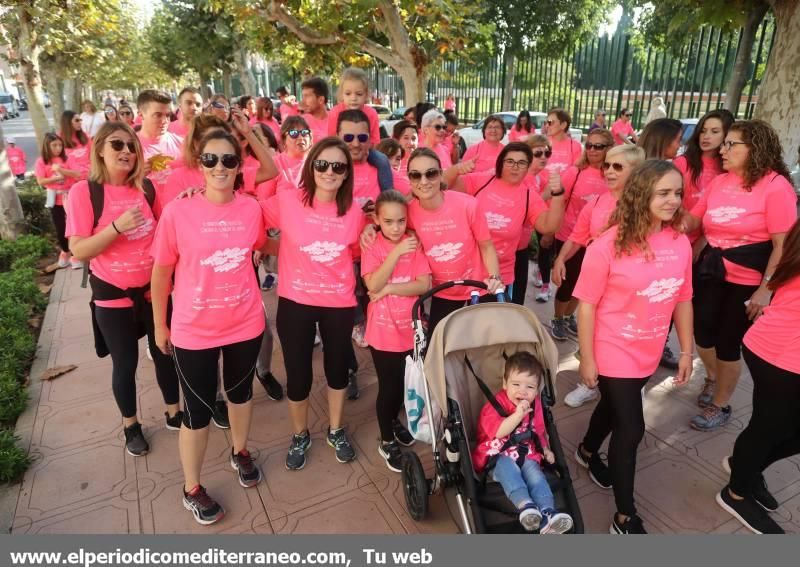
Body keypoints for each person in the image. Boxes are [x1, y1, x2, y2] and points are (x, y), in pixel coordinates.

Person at [151, 129, 266, 525]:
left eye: (229, 160)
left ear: (239, 166)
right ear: (199, 165)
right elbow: (161, 273)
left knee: (240, 395)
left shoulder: (252, 209)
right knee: (196, 413)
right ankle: (192, 488)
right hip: (193, 329)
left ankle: (240, 450)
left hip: (245, 323)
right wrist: (159, 326)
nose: (220, 167)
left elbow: (273, 244)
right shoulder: (177, 212)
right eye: (211, 159)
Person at [573, 159, 694, 534]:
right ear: (641, 195)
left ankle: (587, 450)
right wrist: (588, 359)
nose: (673, 200)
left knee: (613, 407)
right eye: (663, 193)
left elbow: (683, 298)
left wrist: (686, 350)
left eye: (677, 193)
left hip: (650, 348)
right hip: (612, 348)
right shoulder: (607, 246)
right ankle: (625, 516)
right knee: (632, 427)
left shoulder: (680, 241)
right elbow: (586, 305)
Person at [66, 121, 181, 458]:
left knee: (165, 353)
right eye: (117, 145)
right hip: (113, 295)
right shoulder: (84, 193)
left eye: (132, 146)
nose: (126, 152)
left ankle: (174, 412)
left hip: (152, 292)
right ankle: (131, 425)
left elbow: (165, 232)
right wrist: (116, 227)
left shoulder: (146, 189)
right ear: (100, 149)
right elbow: (79, 250)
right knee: (125, 362)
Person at [682, 120, 797, 431]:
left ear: (755, 149)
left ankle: (721, 404)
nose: (723, 149)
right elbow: (692, 222)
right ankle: (713, 376)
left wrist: (766, 290)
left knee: (728, 343)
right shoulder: (720, 182)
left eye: (732, 144)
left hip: (748, 279)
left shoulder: (776, 187)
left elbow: (782, 246)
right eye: (725, 143)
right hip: (712, 270)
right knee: (702, 333)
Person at [261, 137, 365, 471]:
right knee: (298, 374)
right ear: (311, 167)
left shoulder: (356, 211)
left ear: (346, 172)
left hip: (338, 303)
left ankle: (335, 429)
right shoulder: (288, 200)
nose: (329, 172)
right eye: (322, 164)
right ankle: (300, 434)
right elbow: (248, 216)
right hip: (296, 302)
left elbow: (361, 250)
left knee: (337, 371)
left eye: (338, 166)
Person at [716, 219, 800, 535]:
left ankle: (745, 466)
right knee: (770, 427)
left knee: (779, 428)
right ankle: (736, 493)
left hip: (785, 351)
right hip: (779, 354)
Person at [369, 147, 502, 334]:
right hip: (443, 292)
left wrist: (495, 278)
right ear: (409, 178)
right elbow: (386, 224)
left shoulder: (468, 204)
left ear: (440, 175)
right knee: (439, 350)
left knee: (485, 349)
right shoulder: (407, 212)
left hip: (479, 289)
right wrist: (369, 229)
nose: (423, 181)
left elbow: (486, 246)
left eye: (430, 174)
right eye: (416, 175)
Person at [559, 145, 646, 407]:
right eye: (606, 165)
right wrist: (561, 259)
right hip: (598, 284)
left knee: (630, 335)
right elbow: (577, 236)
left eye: (617, 166)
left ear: (637, 171)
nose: (608, 171)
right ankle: (589, 383)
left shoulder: (647, 207)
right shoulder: (597, 201)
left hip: (631, 288)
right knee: (593, 332)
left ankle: (633, 384)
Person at [362, 190, 431, 471]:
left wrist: (392, 288)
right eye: (388, 221)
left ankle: (393, 420)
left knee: (405, 385)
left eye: (401, 221)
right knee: (388, 388)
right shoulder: (373, 246)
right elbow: (373, 285)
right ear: (377, 219)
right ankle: (387, 439)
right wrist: (395, 253)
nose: (395, 227)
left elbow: (423, 284)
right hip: (383, 332)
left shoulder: (413, 244)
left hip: (410, 329)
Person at [446, 142, 567, 300]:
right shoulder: (482, 181)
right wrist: (456, 169)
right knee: (449, 323)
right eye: (510, 161)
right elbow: (444, 185)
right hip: (463, 269)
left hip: (496, 277)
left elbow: (549, 227)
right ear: (500, 162)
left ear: (528, 167)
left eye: (521, 162)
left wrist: (558, 194)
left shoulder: (529, 196)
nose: (515, 166)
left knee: (487, 323)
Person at [473, 352, 574, 534]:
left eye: (530, 387)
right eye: (516, 384)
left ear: (537, 390)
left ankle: (547, 513)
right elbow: (499, 432)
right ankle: (525, 506)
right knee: (508, 469)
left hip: (525, 452)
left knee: (536, 476)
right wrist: (518, 415)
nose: (523, 391)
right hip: (497, 456)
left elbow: (538, 430)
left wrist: (545, 448)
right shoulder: (493, 406)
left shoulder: (535, 405)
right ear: (505, 384)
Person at [548, 129, 614, 342]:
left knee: (585, 284)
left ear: (609, 149)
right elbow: (558, 201)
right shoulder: (574, 172)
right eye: (590, 145)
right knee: (567, 282)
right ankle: (558, 317)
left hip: (599, 242)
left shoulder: (613, 175)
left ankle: (569, 315)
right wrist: (549, 231)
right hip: (569, 235)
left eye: (599, 146)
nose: (593, 150)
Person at [325, 67, 393, 191]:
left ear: (366, 94)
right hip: (340, 149)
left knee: (383, 160)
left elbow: (374, 139)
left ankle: (387, 194)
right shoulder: (335, 112)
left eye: (359, 94)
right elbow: (331, 138)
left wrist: (366, 150)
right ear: (341, 94)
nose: (353, 98)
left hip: (365, 149)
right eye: (348, 93)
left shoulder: (371, 113)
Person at [522, 135, 554, 305]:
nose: (543, 157)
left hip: (524, 239)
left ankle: (545, 283)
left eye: (546, 154)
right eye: (538, 153)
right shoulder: (522, 177)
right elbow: (524, 209)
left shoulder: (538, 176)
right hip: (514, 246)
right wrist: (546, 194)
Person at [35, 133, 74, 268]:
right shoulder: (42, 161)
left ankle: (76, 254)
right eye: (54, 145)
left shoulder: (67, 158)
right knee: (60, 228)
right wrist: (56, 178)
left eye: (60, 145)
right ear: (47, 146)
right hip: (54, 199)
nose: (58, 148)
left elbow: (77, 174)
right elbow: (41, 181)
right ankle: (65, 252)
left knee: (75, 225)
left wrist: (62, 170)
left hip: (70, 196)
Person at [136, 90, 184, 180]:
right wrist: (135, 176)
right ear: (141, 115)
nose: (165, 121)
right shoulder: (128, 147)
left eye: (168, 115)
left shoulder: (183, 144)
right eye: (158, 115)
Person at [60, 110, 92, 185]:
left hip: (89, 179)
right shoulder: (59, 139)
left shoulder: (85, 136)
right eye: (77, 120)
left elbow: (93, 156)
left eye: (80, 120)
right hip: (70, 183)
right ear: (67, 122)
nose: (80, 122)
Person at [545, 108, 582, 174]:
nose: (547, 126)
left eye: (550, 122)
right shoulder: (542, 143)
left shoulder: (575, 146)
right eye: (546, 122)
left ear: (563, 125)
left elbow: (576, 171)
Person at [391, 120, 419, 196]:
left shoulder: (422, 161)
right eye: (406, 138)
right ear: (396, 140)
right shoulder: (390, 161)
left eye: (413, 138)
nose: (410, 143)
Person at [300, 77, 330, 144]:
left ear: (321, 100)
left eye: (307, 96)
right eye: (303, 96)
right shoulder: (301, 121)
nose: (303, 101)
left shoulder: (336, 120)